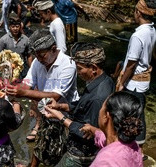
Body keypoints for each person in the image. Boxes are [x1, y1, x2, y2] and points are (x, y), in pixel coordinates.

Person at [6, 29, 78, 167]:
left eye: (42, 55)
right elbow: (28, 82)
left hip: (64, 114)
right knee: (40, 143)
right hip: (45, 111)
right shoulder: (38, 62)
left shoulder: (68, 65)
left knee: (59, 151)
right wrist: (12, 87)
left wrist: (23, 93)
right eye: (36, 55)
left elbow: (55, 96)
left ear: (53, 49)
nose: (39, 59)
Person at [44, 42, 115, 166]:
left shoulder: (97, 98)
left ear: (93, 68)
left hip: (83, 152)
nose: (78, 72)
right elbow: (82, 105)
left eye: (80, 68)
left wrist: (60, 116)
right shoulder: (105, 80)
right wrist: (59, 106)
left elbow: (87, 133)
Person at [116, 0, 156, 158]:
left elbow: (132, 64)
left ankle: (137, 151)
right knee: (138, 114)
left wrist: (121, 82)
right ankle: (138, 150)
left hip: (134, 83)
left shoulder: (138, 35)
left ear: (138, 13)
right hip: (143, 81)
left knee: (133, 116)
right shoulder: (152, 30)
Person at [80, 91, 143, 167]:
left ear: (106, 116)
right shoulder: (133, 146)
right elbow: (107, 139)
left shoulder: (105, 161)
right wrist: (92, 129)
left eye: (102, 108)